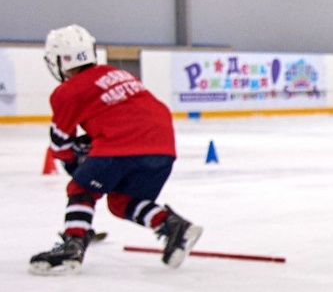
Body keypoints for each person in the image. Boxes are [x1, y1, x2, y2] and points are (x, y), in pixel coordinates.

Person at [28, 25, 203, 275]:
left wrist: (76, 162)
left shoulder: (66, 92)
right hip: (163, 144)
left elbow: (60, 146)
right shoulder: (116, 73)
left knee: (81, 189)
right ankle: (172, 225)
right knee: (122, 202)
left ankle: (73, 242)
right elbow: (124, 111)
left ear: (60, 60)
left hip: (123, 143)